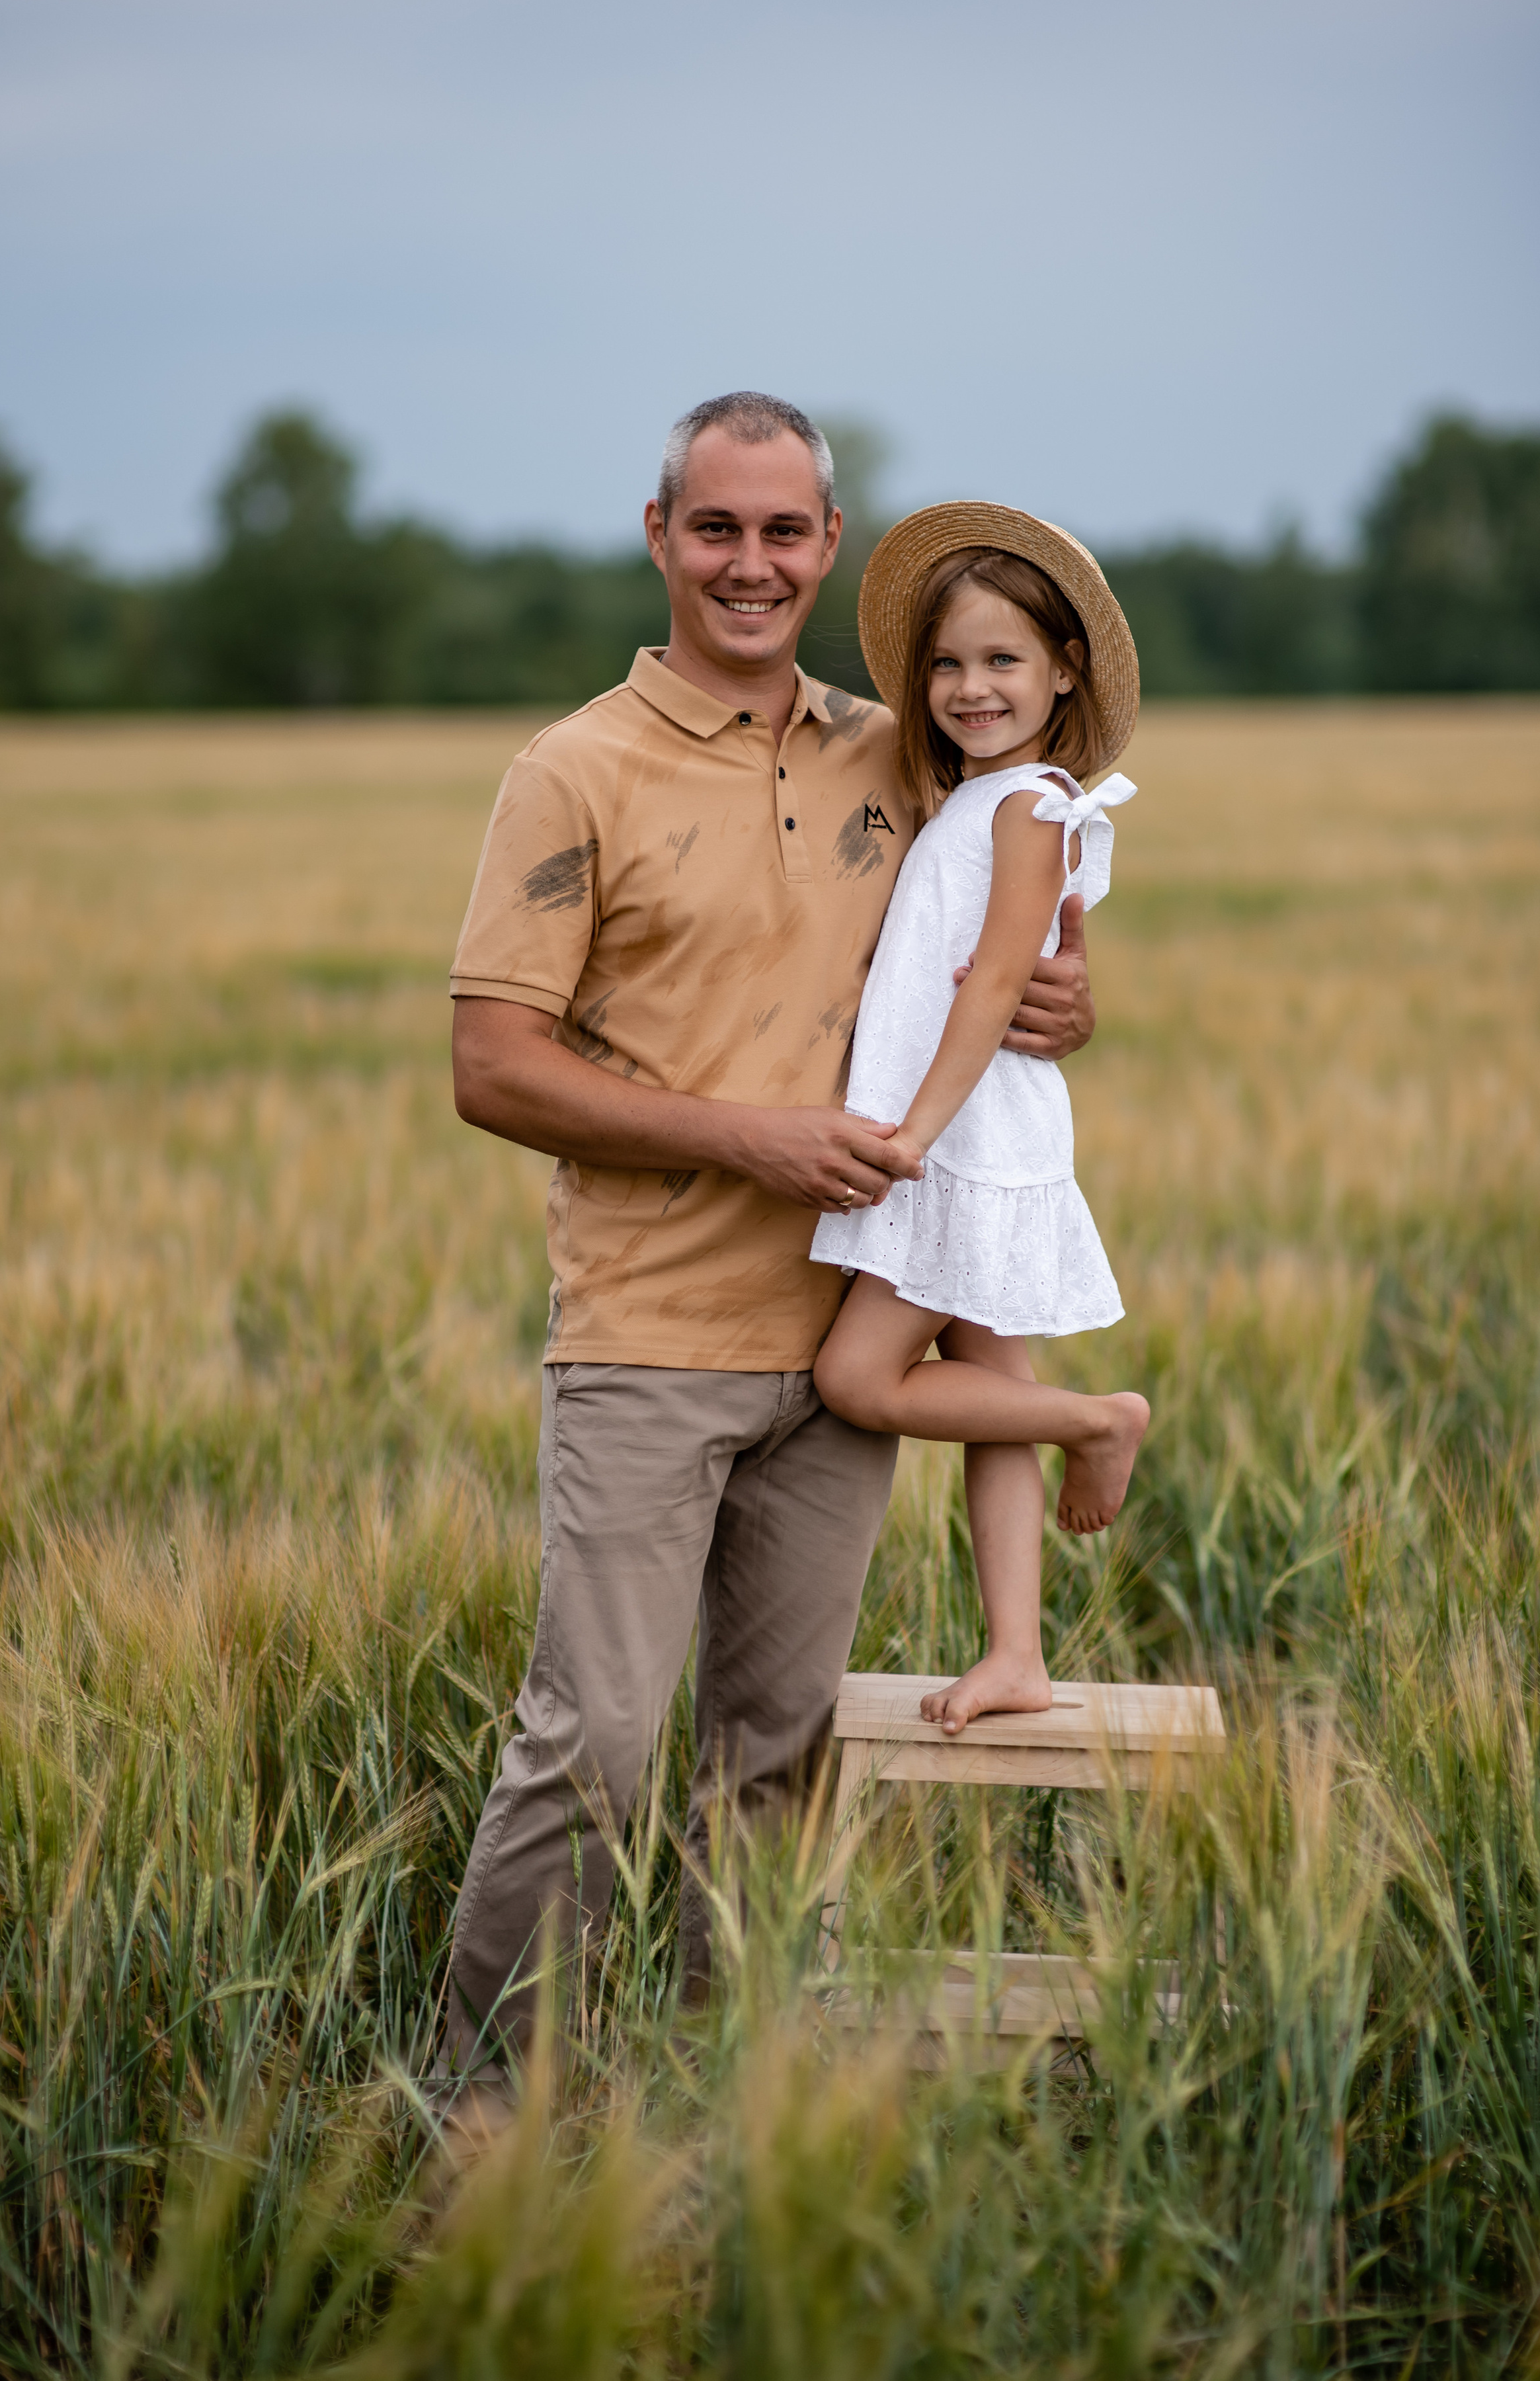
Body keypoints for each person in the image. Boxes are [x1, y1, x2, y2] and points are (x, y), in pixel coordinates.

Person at [440, 399, 1098, 2116]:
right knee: (593, 1745)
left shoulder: (903, 748)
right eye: (717, 528)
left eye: (785, 531)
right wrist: (748, 1133)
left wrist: (1073, 1004)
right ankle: (490, 2115)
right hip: (651, 1337)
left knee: (776, 1759)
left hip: (852, 1337)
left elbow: (1007, 952)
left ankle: (727, 2099)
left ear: (827, 543)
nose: (751, 563)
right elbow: (491, 1067)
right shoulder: (573, 768)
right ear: (658, 532)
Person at [811, 503, 1149, 1738]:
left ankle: (1099, 1419)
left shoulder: (1033, 805)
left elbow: (1002, 981)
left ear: (1066, 672)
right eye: (947, 663)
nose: (970, 686)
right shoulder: (982, 799)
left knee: (857, 1377)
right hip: (960, 1134)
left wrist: (908, 1139)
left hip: (955, 1141)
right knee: (986, 1389)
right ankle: (1017, 1650)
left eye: (1005, 660)